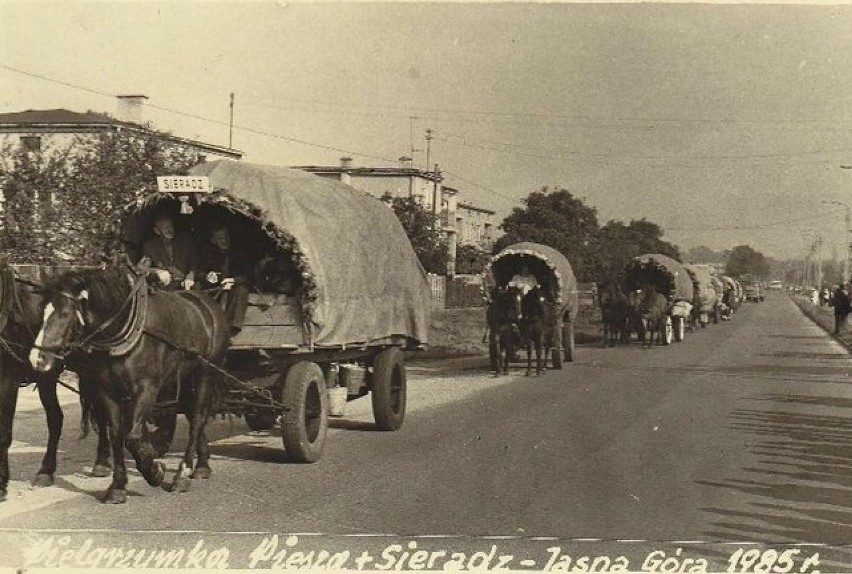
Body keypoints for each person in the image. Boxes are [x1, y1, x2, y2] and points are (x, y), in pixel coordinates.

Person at [199, 224, 251, 337]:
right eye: (220, 238)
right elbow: (198, 273)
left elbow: (249, 276)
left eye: (226, 237)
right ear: (213, 241)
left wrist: (233, 281)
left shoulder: (238, 254)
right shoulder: (207, 255)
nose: (225, 240)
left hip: (232, 295)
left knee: (242, 290)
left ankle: (230, 330)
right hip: (213, 292)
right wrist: (207, 276)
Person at [139, 214, 197, 290]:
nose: (170, 230)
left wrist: (190, 277)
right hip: (163, 291)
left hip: (186, 287)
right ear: (157, 231)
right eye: (166, 228)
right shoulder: (150, 247)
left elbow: (194, 263)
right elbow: (141, 268)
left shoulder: (185, 241)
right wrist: (157, 272)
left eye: (171, 227)